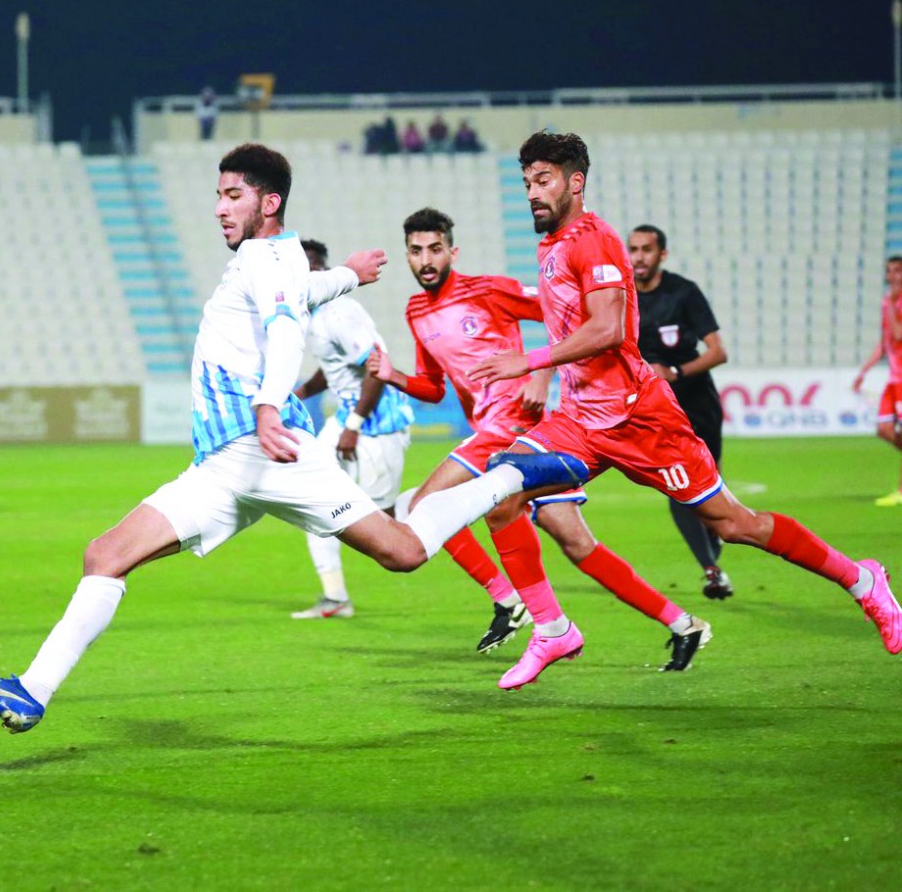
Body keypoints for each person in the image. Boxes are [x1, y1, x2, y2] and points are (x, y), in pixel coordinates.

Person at [0, 143, 587, 734]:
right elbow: (300, 295)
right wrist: (348, 274)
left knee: (402, 551)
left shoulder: (266, 259)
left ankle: (512, 476)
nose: (219, 207)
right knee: (105, 555)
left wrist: (265, 406)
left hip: (268, 450)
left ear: (269, 201)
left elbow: (285, 329)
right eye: (219, 195)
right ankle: (31, 691)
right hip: (223, 465)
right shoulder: (273, 261)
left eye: (233, 195)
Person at [466, 130, 901, 691]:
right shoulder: (551, 246)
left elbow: (607, 329)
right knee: (502, 493)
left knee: (733, 524)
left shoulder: (593, 240)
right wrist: (546, 373)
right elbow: (570, 325)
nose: (531, 192)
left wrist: (527, 362)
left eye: (543, 180)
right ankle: (552, 629)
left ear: (575, 183)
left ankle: (862, 580)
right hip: (579, 419)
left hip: (639, 418)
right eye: (526, 182)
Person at [371, 208, 709, 667]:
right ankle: (682, 624)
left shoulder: (488, 290)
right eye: (416, 251)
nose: (426, 259)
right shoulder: (416, 311)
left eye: (435, 249)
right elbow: (433, 387)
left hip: (514, 424)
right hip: (508, 437)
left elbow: (564, 318)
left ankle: (508, 599)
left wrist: (540, 373)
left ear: (453, 251)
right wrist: (392, 375)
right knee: (578, 545)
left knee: (422, 505)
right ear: (407, 256)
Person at [291, 239, 415, 618]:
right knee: (313, 499)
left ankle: (436, 502)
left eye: (311, 267)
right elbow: (332, 366)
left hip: (377, 425)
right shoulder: (312, 313)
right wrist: (300, 393)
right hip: (347, 418)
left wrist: (354, 426)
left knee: (389, 526)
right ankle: (335, 598)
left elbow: (377, 367)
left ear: (322, 271)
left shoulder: (340, 312)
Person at [629, 225, 733, 599]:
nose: (639, 257)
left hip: (697, 401)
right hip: (656, 410)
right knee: (677, 486)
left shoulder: (683, 292)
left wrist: (674, 372)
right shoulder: (622, 296)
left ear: (662, 254)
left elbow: (718, 351)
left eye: (646, 249)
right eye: (633, 249)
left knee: (708, 488)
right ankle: (711, 570)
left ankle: (714, 544)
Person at [853, 256, 902, 506]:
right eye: (889, 271)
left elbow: (899, 334)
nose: (892, 276)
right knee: (883, 430)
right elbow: (885, 342)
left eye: (897, 271)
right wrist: (864, 371)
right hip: (893, 379)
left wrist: (892, 305)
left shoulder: (894, 302)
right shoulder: (888, 302)